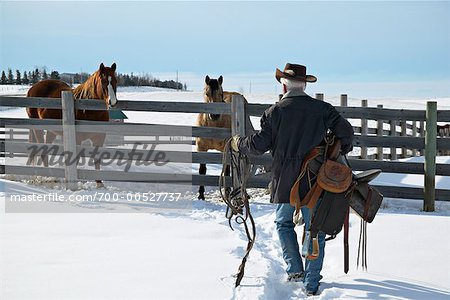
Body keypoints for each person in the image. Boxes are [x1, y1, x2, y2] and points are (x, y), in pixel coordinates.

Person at [231, 63, 354, 296]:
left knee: (283, 222)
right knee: (314, 227)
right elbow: (346, 133)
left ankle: (295, 269)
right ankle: (311, 282)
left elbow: (258, 145)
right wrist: (338, 152)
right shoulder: (323, 109)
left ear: (284, 84)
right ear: (304, 84)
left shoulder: (274, 112)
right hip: (315, 180)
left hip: (285, 180)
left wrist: (239, 143)